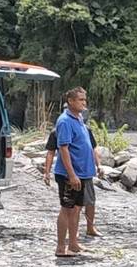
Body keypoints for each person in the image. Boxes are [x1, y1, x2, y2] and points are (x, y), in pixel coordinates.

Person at [43, 105, 102, 238]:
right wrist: (47, 172)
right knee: (71, 207)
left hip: (86, 171)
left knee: (89, 201)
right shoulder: (59, 128)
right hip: (71, 173)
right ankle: (69, 240)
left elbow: (93, 148)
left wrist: (99, 165)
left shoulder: (85, 128)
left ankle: (89, 228)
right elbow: (52, 152)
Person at [51, 87, 97, 258]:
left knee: (77, 208)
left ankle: (74, 243)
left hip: (83, 173)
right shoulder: (64, 121)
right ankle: (60, 247)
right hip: (69, 174)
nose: (83, 103)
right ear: (70, 101)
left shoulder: (78, 118)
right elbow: (63, 148)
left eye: (85, 100)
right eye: (80, 100)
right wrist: (71, 174)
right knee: (67, 208)